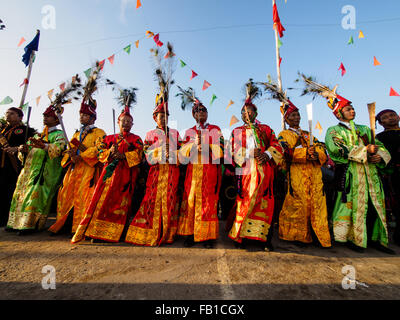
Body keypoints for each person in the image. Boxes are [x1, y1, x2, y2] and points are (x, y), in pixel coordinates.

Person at [298, 75, 394, 254]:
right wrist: (366, 151)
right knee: (351, 207)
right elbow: (337, 149)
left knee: (374, 207)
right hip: (351, 175)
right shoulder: (333, 131)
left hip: (371, 175)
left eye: (353, 108)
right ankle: (353, 238)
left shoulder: (365, 129)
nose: (352, 111)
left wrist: (379, 156)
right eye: (348, 109)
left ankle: (376, 239)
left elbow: (381, 147)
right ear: (338, 113)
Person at [71, 101, 143, 244]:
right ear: (118, 121)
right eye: (124, 121)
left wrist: (124, 155)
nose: (126, 124)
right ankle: (95, 232)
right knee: (101, 202)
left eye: (129, 121)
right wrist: (109, 152)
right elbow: (99, 152)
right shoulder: (108, 138)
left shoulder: (136, 139)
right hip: (108, 176)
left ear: (132, 125)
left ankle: (116, 233)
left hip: (125, 176)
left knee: (121, 204)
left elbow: (140, 154)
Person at [228, 79, 283, 251]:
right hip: (246, 173)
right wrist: (248, 153)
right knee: (243, 202)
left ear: (255, 113)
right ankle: (241, 236)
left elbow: (277, 145)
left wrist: (266, 154)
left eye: (250, 111)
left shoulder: (266, 129)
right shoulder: (236, 132)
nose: (247, 114)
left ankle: (264, 239)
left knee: (265, 205)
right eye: (244, 112)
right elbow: (231, 150)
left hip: (264, 172)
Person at [125, 98, 182, 246]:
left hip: (171, 171)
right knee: (151, 200)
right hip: (156, 171)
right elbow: (146, 153)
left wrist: (174, 153)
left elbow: (183, 153)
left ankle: (168, 233)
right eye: (160, 116)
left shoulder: (175, 133)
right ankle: (150, 231)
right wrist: (162, 151)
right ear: (155, 118)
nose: (163, 118)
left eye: (165, 116)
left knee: (170, 200)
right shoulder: (150, 134)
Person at [277, 102, 331, 248]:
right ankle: (297, 235)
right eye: (292, 115)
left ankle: (318, 235)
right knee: (299, 203)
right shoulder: (284, 135)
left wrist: (316, 155)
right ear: (286, 120)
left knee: (317, 203)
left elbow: (322, 150)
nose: (296, 117)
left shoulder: (309, 134)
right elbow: (285, 152)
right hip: (297, 173)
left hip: (314, 173)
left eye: (298, 114)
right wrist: (305, 153)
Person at [48, 99, 106, 236]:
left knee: (84, 197)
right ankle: (63, 225)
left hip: (88, 170)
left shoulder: (99, 132)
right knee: (65, 195)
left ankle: (79, 228)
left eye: (85, 115)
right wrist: (70, 155)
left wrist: (82, 156)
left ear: (92, 118)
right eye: (80, 114)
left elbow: (100, 149)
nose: (82, 117)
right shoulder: (75, 134)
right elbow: (68, 150)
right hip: (74, 169)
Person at [5, 105, 66, 235]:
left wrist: (44, 146)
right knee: (19, 195)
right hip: (29, 171)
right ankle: (15, 223)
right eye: (44, 116)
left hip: (45, 172)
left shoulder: (59, 134)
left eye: (48, 116)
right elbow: (25, 152)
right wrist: (23, 150)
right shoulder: (38, 135)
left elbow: (60, 149)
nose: (45, 118)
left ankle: (30, 225)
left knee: (36, 197)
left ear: (56, 120)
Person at [175, 88, 224, 248]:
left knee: (208, 203)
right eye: (197, 111)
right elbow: (181, 155)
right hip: (192, 173)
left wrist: (209, 146)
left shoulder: (215, 129)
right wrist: (192, 146)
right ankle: (190, 234)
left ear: (207, 113)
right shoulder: (189, 132)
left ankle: (208, 236)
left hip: (210, 171)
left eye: (203, 110)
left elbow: (223, 149)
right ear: (193, 115)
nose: (201, 113)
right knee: (190, 201)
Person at [1, 107, 36, 227]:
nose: (8, 115)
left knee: (10, 191)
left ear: (20, 117)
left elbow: (32, 145)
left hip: (14, 165)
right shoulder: (2, 131)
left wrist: (17, 149)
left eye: (12, 113)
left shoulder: (27, 130)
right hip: (1, 163)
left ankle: (7, 218)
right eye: (7, 113)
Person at [376, 109, 400, 246]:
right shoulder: (379, 138)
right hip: (394, 173)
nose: (390, 118)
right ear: (380, 123)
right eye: (385, 117)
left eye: (392, 115)